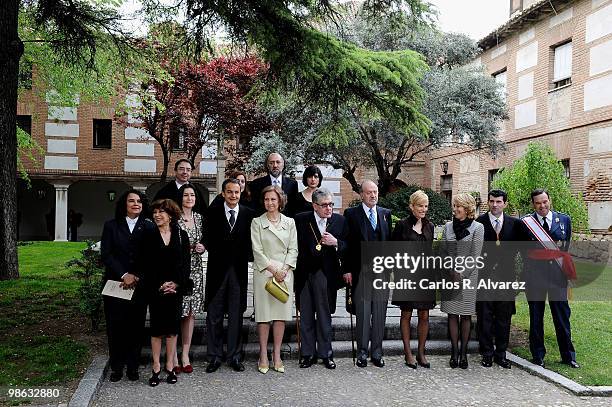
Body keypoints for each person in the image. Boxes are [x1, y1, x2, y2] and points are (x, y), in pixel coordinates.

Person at [101, 190, 154, 382]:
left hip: (139, 286)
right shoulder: (111, 226)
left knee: (135, 326)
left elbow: (151, 256)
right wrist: (124, 274)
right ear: (124, 204)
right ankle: (117, 366)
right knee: (116, 326)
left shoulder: (149, 227)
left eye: (139, 201)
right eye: (131, 201)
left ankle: (133, 367)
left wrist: (137, 275)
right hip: (116, 284)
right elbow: (106, 254)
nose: (136, 204)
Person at [202, 178, 255, 373]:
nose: (233, 195)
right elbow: (205, 237)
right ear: (223, 193)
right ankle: (214, 356)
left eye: (237, 192)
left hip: (238, 272)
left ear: (241, 193)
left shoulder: (249, 214)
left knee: (236, 316)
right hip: (217, 272)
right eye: (230, 192)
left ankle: (234, 356)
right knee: (214, 316)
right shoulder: (212, 212)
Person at [521, 189, 579, 368]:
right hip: (535, 276)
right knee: (536, 317)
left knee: (562, 316)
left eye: (545, 201)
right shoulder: (526, 223)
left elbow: (565, 248)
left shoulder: (564, 220)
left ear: (550, 200)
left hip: (557, 276)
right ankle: (538, 356)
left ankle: (568, 356)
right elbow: (523, 251)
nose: (542, 206)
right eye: (538, 203)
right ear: (533, 204)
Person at [138, 199, 190, 386]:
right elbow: (144, 265)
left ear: (170, 215)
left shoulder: (182, 235)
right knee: (157, 330)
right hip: (156, 289)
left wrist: (176, 284)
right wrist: (158, 285)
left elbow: (186, 265)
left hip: (174, 290)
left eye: (161, 212)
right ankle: (156, 367)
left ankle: (170, 367)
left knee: (172, 330)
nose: (157, 215)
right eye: (155, 212)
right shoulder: (148, 235)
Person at [295, 187, 348, 369]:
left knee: (325, 316)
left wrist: (336, 243)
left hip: (326, 275)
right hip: (304, 274)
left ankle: (326, 354)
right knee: (306, 316)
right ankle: (307, 354)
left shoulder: (340, 221)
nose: (329, 208)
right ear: (314, 206)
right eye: (324, 205)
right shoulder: (301, 219)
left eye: (331, 204)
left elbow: (348, 246)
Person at [343, 180, 392, 368]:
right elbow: (346, 244)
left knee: (380, 313)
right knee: (363, 313)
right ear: (361, 194)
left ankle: (377, 353)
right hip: (361, 270)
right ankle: (362, 353)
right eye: (369, 192)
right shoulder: (351, 214)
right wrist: (346, 269)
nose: (373, 195)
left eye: (375, 192)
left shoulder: (385, 214)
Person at [250, 186, 298, 374]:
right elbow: (257, 251)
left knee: (280, 317)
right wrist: (273, 269)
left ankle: (276, 354)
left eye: (273, 199)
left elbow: (293, 249)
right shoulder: (256, 222)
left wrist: (284, 269)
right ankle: (263, 354)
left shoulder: (290, 222)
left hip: (285, 274)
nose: (270, 203)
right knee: (263, 317)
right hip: (264, 274)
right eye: (267, 199)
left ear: (280, 201)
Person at [475, 189, 522, 369]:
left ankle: (501, 354)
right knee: (484, 316)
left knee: (504, 317)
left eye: (499, 202)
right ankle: (486, 353)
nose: (495, 205)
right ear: (488, 202)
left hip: (506, 278)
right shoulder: (479, 223)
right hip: (484, 278)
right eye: (492, 201)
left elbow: (522, 252)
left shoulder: (515, 224)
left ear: (505, 204)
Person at [391, 190, 435, 369]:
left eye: (425, 206)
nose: (423, 209)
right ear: (411, 206)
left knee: (424, 314)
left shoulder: (430, 226)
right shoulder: (402, 225)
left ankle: (421, 353)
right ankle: (408, 353)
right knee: (406, 314)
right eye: (420, 206)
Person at [440, 193, 484, 369]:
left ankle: (464, 353)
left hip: (468, 277)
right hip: (450, 276)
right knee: (452, 314)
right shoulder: (448, 227)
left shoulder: (477, 227)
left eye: (459, 206)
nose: (456, 209)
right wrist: (450, 271)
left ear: (467, 208)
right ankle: (454, 352)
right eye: (455, 206)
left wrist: (462, 274)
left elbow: (476, 255)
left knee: (465, 316)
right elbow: (443, 251)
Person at [174, 184, 206, 374]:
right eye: (186, 195)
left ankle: (185, 353)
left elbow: (205, 240)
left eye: (192, 195)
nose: (189, 197)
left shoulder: (200, 219)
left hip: (195, 269)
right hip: (178, 269)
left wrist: (203, 246)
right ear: (180, 198)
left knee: (191, 313)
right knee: (178, 311)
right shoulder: (174, 219)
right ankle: (172, 355)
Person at [249, 152, 298, 216]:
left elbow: (294, 207)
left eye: (278, 162)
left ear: (283, 165)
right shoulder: (256, 184)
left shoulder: (292, 184)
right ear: (267, 165)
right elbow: (255, 208)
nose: (275, 165)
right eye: (271, 163)